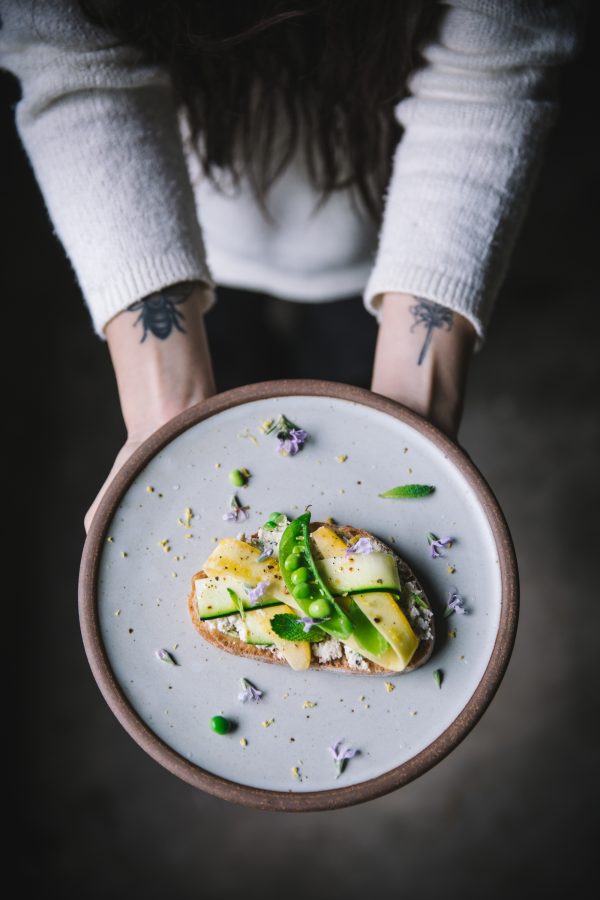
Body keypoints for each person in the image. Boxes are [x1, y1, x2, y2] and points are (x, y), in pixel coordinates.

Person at [0, 0, 583, 531]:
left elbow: (489, 71)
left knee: (347, 377)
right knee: (229, 381)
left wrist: (412, 421)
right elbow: (77, 66)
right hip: (179, 240)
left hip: (395, 246)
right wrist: (165, 414)